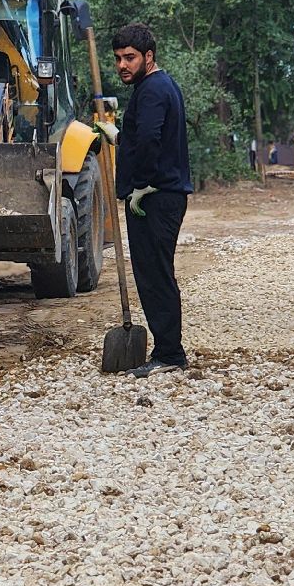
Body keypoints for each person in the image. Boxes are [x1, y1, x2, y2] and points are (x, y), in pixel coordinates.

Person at [111, 23, 192, 378]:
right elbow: (140, 137)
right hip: (162, 196)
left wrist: (141, 184)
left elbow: (150, 140)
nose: (122, 65)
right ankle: (168, 350)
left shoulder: (152, 90)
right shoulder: (159, 86)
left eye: (130, 58)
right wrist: (116, 137)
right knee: (156, 272)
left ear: (148, 56)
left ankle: (170, 355)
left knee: (155, 275)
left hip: (155, 198)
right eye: (117, 59)